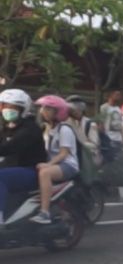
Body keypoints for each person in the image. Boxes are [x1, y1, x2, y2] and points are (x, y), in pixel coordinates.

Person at [0, 89, 47, 225]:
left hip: (30, 171)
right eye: (4, 106)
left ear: (23, 109)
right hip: (11, 169)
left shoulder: (29, 129)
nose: (6, 109)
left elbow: (9, 148)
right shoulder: (8, 127)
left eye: (11, 107)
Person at [30, 96, 80, 224]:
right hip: (55, 165)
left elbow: (64, 153)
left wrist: (47, 165)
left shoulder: (65, 129)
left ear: (58, 112)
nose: (43, 111)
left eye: (48, 108)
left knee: (44, 173)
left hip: (68, 165)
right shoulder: (46, 129)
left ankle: (44, 213)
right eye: (43, 108)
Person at [66, 95, 102, 166]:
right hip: (71, 159)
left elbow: (95, 144)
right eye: (72, 109)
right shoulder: (66, 123)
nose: (75, 111)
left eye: (79, 108)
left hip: (88, 160)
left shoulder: (90, 124)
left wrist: (79, 145)